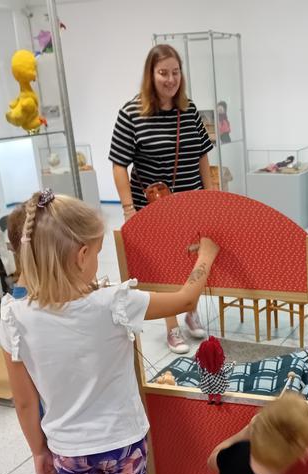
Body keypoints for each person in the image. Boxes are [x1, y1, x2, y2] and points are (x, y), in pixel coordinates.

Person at [0, 190, 219, 474]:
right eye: (98, 252)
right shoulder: (113, 303)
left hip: (68, 449)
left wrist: (38, 451)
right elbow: (187, 299)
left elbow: (25, 400)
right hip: (122, 444)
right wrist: (206, 254)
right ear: (81, 255)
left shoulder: (15, 316)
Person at [5, 204, 123, 474]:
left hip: (66, 429)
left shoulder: (27, 303)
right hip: (63, 431)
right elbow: (25, 399)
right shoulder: (23, 311)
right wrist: (39, 449)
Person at [109, 43, 215, 355]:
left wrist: (211, 198)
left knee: (192, 260)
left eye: (175, 72)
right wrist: (128, 209)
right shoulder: (131, 113)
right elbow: (118, 164)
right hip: (154, 208)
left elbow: (202, 156)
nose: (170, 79)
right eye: (163, 73)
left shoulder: (189, 109)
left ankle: (190, 309)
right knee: (165, 267)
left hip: (192, 203)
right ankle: (172, 327)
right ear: (151, 75)